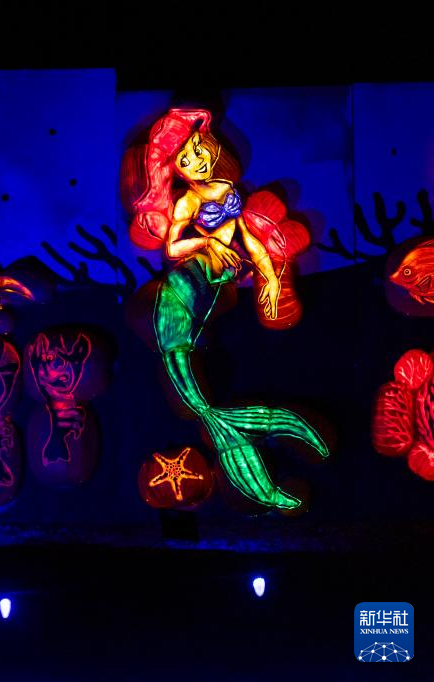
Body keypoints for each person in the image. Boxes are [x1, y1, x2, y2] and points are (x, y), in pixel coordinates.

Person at [130, 108, 328, 510]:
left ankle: (260, 446)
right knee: (187, 378)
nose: (195, 161)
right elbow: (173, 247)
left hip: (210, 291)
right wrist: (207, 243)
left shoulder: (229, 193)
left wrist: (271, 276)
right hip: (183, 288)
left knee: (203, 400)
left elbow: (247, 238)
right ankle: (262, 469)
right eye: (184, 159)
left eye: (198, 150)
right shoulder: (188, 202)